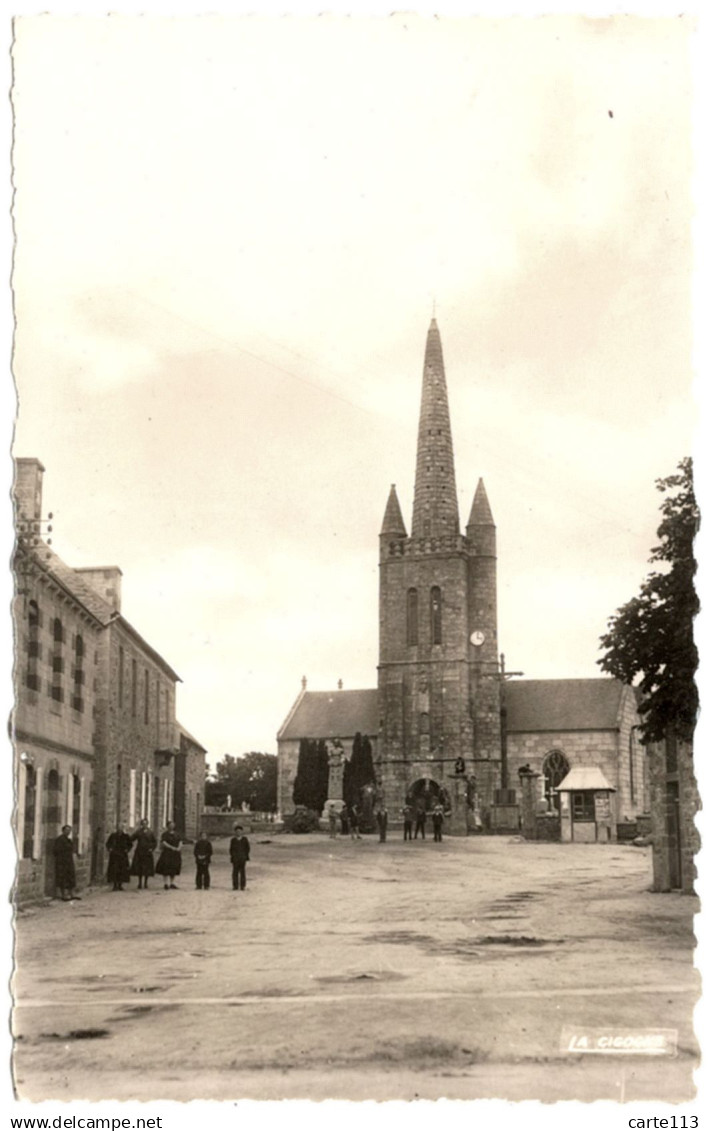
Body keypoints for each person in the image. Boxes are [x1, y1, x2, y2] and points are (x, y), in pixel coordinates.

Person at [54, 825, 80, 901]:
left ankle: (72, 894)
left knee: (71, 877)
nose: (68, 832)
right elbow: (56, 851)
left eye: (69, 830)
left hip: (69, 861)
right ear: (63, 831)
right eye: (67, 830)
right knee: (63, 878)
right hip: (62, 862)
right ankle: (63, 895)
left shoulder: (69, 840)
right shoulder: (59, 840)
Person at [130, 818, 157, 890]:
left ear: (147, 824)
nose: (144, 825)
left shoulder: (150, 832)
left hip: (147, 852)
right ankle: (139, 883)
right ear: (141, 824)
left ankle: (145, 883)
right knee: (140, 868)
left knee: (147, 868)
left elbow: (154, 842)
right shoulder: (138, 832)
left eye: (145, 823)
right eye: (143, 824)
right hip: (140, 851)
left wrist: (152, 848)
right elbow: (132, 838)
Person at [155, 820, 182, 889]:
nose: (172, 826)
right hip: (167, 853)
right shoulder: (165, 834)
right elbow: (163, 842)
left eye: (173, 825)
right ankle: (166, 883)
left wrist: (179, 847)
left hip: (175, 853)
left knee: (174, 867)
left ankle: (172, 883)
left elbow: (180, 841)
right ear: (168, 826)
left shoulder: (177, 834)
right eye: (170, 825)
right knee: (166, 867)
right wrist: (171, 847)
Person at [106, 821, 132, 891]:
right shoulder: (113, 836)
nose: (120, 829)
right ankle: (114, 885)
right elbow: (108, 843)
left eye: (121, 828)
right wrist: (110, 849)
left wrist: (127, 849)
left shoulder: (126, 836)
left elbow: (130, 844)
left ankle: (120, 885)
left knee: (122, 870)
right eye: (119, 828)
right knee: (114, 870)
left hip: (122, 855)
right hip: (114, 855)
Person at [229, 824, 251, 891]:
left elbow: (247, 848)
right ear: (235, 832)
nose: (238, 832)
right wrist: (233, 856)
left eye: (240, 831)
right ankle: (235, 886)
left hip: (242, 858)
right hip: (235, 858)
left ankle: (242, 886)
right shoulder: (233, 840)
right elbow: (231, 849)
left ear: (242, 832)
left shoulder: (244, 839)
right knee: (235, 872)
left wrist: (245, 856)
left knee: (242, 872)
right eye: (237, 831)